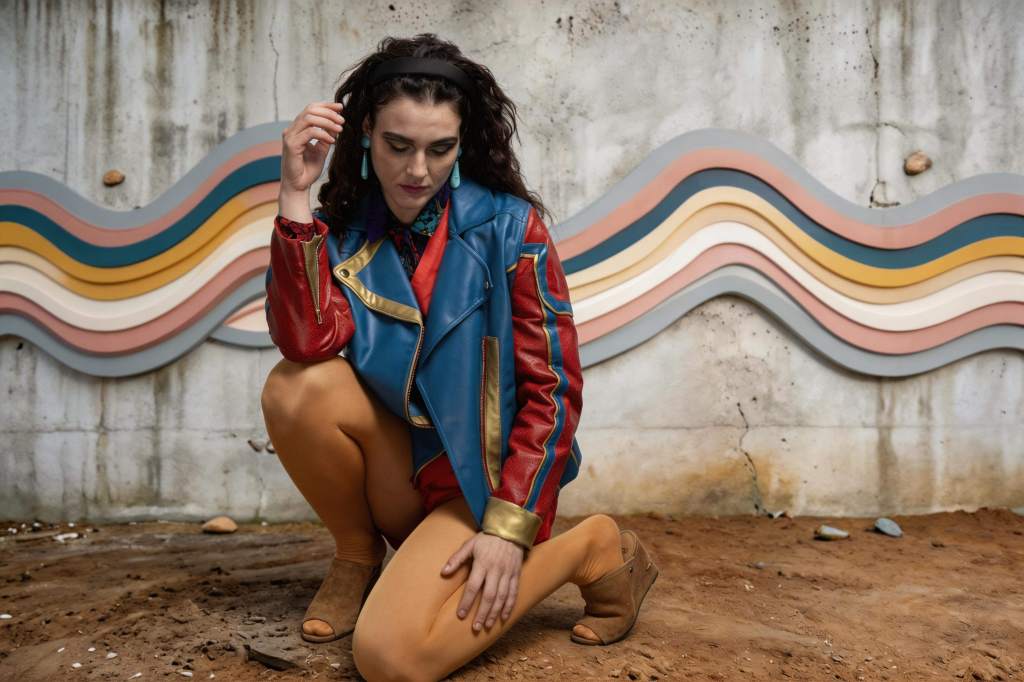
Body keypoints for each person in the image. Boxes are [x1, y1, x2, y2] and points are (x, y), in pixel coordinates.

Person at [259, 33, 659, 681]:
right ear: (366, 134)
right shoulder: (347, 227)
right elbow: (308, 343)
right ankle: (357, 556)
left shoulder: (512, 228)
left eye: (439, 149)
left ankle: (591, 546)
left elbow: (552, 390)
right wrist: (294, 194)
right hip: (403, 468)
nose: (417, 169)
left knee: (391, 659)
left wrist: (507, 528)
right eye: (398, 145)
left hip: (481, 481)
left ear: (463, 144)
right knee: (295, 385)